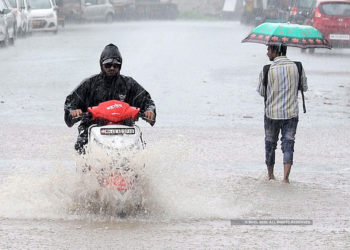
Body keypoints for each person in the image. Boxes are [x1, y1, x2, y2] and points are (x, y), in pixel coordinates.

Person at [64, 43, 156, 153]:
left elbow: (147, 101)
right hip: (92, 127)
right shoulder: (89, 84)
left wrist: (149, 111)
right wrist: (73, 111)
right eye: (108, 65)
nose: (112, 68)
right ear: (101, 64)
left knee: (141, 148)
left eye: (115, 65)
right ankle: (84, 167)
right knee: (82, 145)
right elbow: (70, 102)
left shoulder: (129, 84)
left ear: (120, 66)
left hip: (125, 130)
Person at [257, 44, 308, 183]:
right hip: (291, 113)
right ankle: (286, 179)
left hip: (271, 114)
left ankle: (271, 176)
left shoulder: (267, 70)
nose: (267, 52)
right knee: (288, 144)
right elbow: (304, 87)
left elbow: (262, 92)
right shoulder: (298, 67)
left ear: (275, 50)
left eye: (268, 49)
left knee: (270, 144)